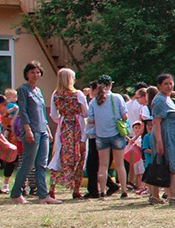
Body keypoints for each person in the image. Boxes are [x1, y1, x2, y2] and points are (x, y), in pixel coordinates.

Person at [11, 61, 59, 204]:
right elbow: (23, 111)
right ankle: (16, 193)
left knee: (41, 164)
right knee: (28, 163)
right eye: (32, 72)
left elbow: (42, 113)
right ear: (27, 74)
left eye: (38, 72)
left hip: (42, 130)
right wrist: (27, 129)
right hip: (31, 130)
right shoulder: (23, 90)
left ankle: (43, 195)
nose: (35, 75)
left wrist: (48, 130)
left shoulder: (38, 91)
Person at [85, 74, 129, 200]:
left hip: (101, 135)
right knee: (120, 164)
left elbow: (91, 120)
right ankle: (124, 190)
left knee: (103, 165)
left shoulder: (94, 101)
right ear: (110, 85)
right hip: (116, 134)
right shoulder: (116, 98)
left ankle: (102, 192)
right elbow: (125, 116)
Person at [48, 68, 88, 200]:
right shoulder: (78, 94)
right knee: (79, 155)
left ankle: (52, 188)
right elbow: (86, 113)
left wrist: (62, 118)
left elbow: (53, 114)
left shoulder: (55, 94)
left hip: (63, 125)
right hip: (77, 125)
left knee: (59, 154)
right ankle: (76, 189)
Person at [150, 73, 175, 203]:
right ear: (159, 85)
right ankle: (173, 196)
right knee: (169, 164)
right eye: (165, 84)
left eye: (171, 83)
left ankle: (156, 196)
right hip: (164, 137)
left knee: (165, 164)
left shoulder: (167, 99)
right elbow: (156, 122)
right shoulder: (159, 100)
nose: (169, 86)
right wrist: (159, 142)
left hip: (171, 137)